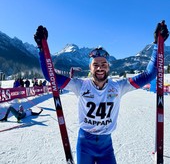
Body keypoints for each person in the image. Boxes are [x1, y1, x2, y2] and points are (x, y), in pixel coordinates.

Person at [34, 23, 167, 164]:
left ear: (108, 66)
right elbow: (51, 77)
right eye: (95, 65)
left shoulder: (118, 87)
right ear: (90, 68)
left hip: (106, 146)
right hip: (85, 144)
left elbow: (149, 74)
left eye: (103, 64)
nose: (100, 68)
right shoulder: (80, 85)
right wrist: (42, 49)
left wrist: (157, 45)